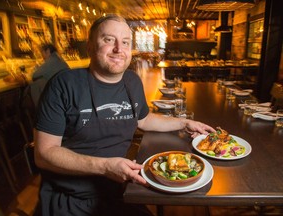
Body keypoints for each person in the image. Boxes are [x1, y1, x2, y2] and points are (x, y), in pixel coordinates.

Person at [33, 14, 215, 216]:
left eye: (125, 42)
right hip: (70, 200)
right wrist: (105, 167)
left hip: (120, 191)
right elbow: (44, 154)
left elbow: (143, 119)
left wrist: (184, 123)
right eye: (109, 40)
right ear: (90, 46)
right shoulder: (64, 84)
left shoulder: (131, 81)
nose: (119, 49)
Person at [30, 43, 69, 108]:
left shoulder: (51, 60)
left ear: (47, 51)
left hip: (57, 94)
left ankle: (40, 111)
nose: (42, 56)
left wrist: (37, 68)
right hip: (65, 91)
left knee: (34, 85)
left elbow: (34, 75)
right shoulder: (59, 59)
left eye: (42, 53)